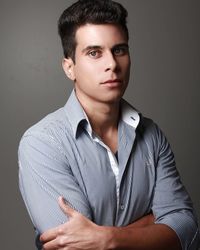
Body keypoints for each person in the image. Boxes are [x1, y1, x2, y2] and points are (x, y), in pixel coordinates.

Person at [18, 0, 199, 249]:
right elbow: (72, 246)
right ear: (69, 67)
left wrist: (107, 239)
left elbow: (186, 226)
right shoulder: (42, 143)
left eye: (119, 50)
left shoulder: (152, 135)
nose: (112, 64)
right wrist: (151, 224)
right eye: (94, 53)